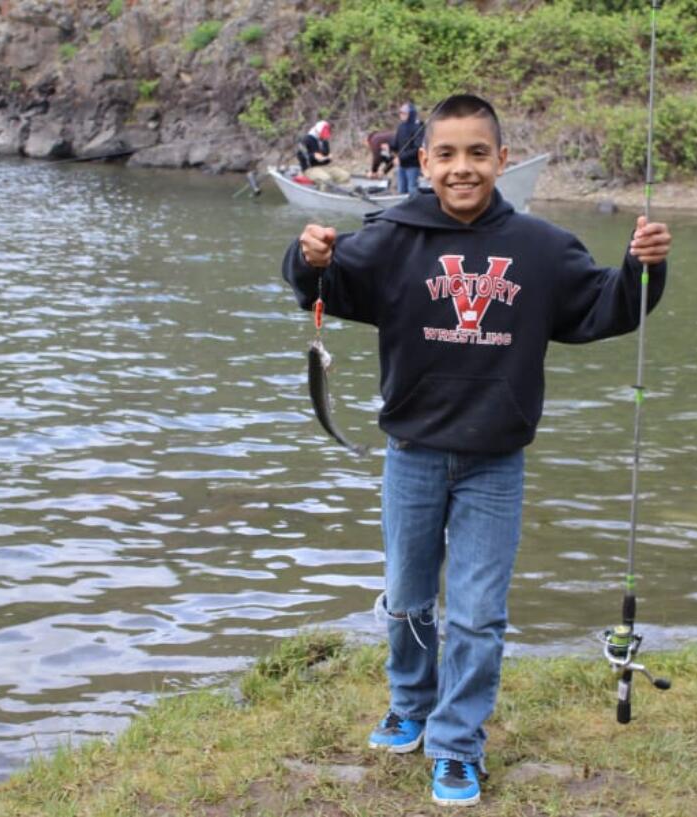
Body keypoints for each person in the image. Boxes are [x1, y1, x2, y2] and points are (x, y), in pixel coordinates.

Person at [281, 94, 672, 807]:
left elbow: (607, 306)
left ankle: (458, 741)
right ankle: (409, 702)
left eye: (478, 154)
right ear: (422, 161)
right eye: (447, 155)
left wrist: (643, 266)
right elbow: (323, 286)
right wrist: (308, 257)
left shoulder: (543, 248)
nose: (463, 168)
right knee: (405, 600)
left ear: (501, 160)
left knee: (477, 613)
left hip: (496, 460)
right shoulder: (391, 235)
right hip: (412, 452)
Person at [296, 119, 350, 188]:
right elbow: (300, 156)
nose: (323, 138)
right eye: (322, 135)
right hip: (309, 169)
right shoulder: (306, 140)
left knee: (345, 175)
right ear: (317, 131)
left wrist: (329, 158)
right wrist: (313, 156)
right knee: (326, 179)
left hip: (324, 167)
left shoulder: (324, 141)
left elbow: (326, 159)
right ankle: (322, 193)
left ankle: (341, 193)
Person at [392, 101, 424, 194]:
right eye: (400, 112)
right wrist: (391, 148)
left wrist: (401, 157)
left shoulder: (418, 127)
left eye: (404, 112)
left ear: (410, 114)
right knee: (401, 190)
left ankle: (414, 208)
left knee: (412, 189)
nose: (401, 115)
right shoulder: (401, 127)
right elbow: (396, 143)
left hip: (413, 165)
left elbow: (417, 148)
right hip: (401, 165)